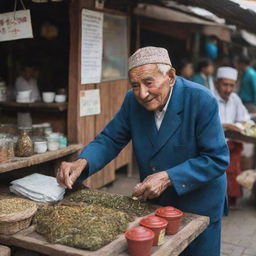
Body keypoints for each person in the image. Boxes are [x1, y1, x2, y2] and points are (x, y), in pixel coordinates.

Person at [57, 47, 229, 256]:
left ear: (171, 76)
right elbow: (111, 138)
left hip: (199, 203)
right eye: (135, 85)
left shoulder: (201, 99)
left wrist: (168, 177)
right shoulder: (133, 100)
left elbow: (216, 159)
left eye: (149, 83)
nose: (142, 94)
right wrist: (82, 162)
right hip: (157, 204)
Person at [213, 67, 251, 207]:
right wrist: (226, 125)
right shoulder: (209, 98)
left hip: (232, 145)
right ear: (217, 83)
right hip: (214, 146)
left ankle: (229, 202)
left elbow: (245, 117)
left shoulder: (235, 98)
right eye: (225, 85)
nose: (228, 89)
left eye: (231, 85)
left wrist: (242, 123)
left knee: (233, 172)